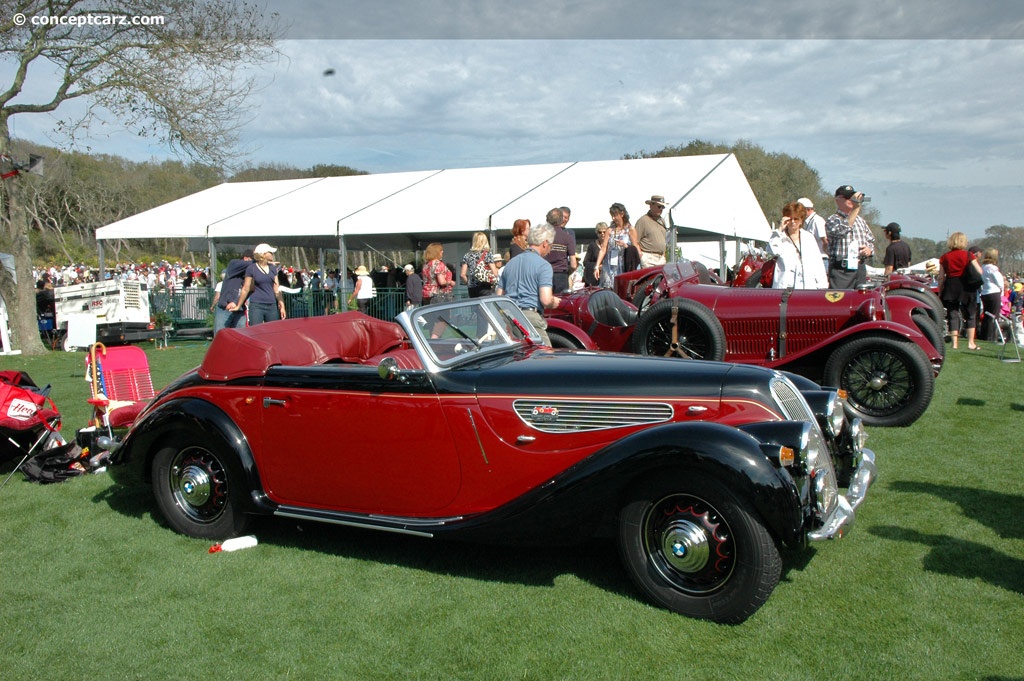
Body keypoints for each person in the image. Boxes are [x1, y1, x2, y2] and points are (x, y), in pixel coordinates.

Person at [495, 221, 561, 345]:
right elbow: (546, 300)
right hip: (530, 317)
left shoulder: (510, 264)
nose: (550, 250)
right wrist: (554, 302)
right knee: (546, 357)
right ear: (545, 243)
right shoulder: (544, 266)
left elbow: (498, 297)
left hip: (510, 317)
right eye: (550, 245)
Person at [937, 231, 982, 350]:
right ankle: (971, 343)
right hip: (967, 286)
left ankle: (954, 343)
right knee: (971, 314)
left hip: (951, 285)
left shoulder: (944, 257)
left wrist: (940, 289)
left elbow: (941, 277)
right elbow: (979, 271)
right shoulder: (969, 255)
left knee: (953, 314)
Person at [768, 201, 828, 289]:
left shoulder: (808, 237)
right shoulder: (780, 237)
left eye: (796, 219)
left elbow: (817, 263)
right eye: (789, 219)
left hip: (807, 287)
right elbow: (771, 250)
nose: (793, 222)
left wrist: (822, 286)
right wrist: (780, 229)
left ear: (801, 220)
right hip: (785, 287)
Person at [825, 185, 875, 289]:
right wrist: (856, 209)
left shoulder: (861, 221)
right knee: (840, 301)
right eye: (848, 197)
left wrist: (869, 249)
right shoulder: (833, 219)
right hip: (841, 270)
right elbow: (841, 231)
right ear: (838, 200)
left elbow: (870, 240)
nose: (851, 200)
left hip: (859, 268)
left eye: (853, 197)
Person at [233, 243, 285, 325]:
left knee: (273, 331)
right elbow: (246, 288)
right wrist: (238, 306)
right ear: (263, 254)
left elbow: (276, 288)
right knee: (256, 331)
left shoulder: (273, 269)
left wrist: (282, 305)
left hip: (271, 305)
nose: (272, 254)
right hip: (256, 305)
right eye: (270, 252)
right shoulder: (251, 268)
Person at [213, 248, 253, 334]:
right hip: (225, 308)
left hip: (240, 309)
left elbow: (249, 290)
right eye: (252, 260)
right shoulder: (234, 264)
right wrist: (261, 262)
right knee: (220, 336)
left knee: (241, 337)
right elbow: (253, 264)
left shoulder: (250, 275)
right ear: (246, 258)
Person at [542, 207, 576, 293]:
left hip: (544, 274)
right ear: (560, 220)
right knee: (560, 304)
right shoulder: (568, 237)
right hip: (561, 276)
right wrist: (567, 273)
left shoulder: (542, 236)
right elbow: (573, 265)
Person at [460, 231, 499, 298]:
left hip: (472, 288)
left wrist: (469, 283)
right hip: (484, 286)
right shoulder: (487, 254)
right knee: (485, 307)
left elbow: (462, 275)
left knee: (475, 307)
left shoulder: (467, 255)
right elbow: (495, 273)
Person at [635, 195, 669, 268]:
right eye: (659, 207)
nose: (661, 209)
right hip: (648, 258)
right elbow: (635, 241)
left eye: (663, 207)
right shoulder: (643, 221)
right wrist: (641, 256)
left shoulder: (662, 221)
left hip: (661, 258)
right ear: (651, 205)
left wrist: (664, 255)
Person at [979, 248, 1005, 342]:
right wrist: (1001, 288)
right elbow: (999, 281)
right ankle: (991, 336)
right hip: (994, 292)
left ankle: (984, 335)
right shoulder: (992, 268)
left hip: (985, 292)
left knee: (987, 315)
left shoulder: (983, 267)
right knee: (994, 315)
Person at [797, 197, 829, 270]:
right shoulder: (809, 222)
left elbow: (825, 240)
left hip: (820, 259)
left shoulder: (817, 221)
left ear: (808, 209)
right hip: (812, 259)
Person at [583, 222, 611, 287]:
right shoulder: (592, 245)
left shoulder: (611, 245)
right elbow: (586, 262)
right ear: (597, 233)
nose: (602, 234)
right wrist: (597, 266)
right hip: (595, 277)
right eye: (600, 232)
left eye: (604, 232)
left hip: (608, 276)